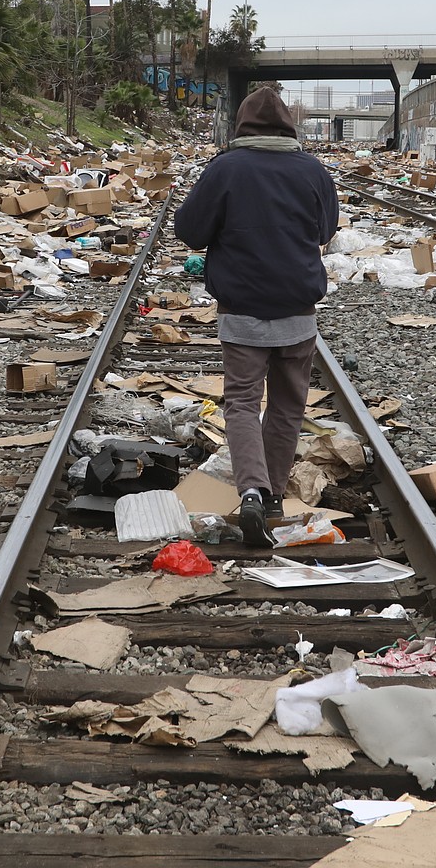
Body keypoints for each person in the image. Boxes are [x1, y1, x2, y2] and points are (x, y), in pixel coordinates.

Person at [174, 87, 340, 546]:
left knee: (243, 403)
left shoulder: (225, 167)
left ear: (243, 125)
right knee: (288, 407)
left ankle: (250, 489)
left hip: (242, 307)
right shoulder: (311, 170)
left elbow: (189, 231)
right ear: (287, 124)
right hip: (297, 311)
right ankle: (272, 500)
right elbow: (327, 230)